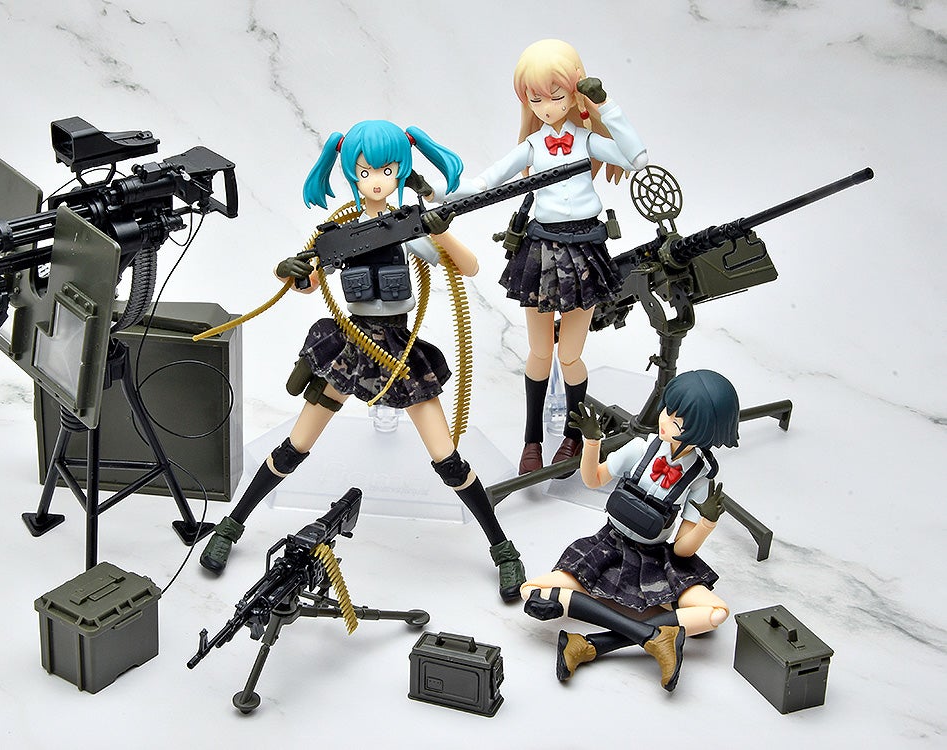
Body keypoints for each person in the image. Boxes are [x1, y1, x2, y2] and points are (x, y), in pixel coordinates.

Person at [199, 119, 527, 601]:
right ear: (353, 172)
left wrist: (440, 231)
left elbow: (469, 267)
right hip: (350, 347)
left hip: (398, 351)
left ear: (401, 172)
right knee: (295, 445)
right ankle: (231, 526)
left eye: (388, 171)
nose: (377, 180)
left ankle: (503, 549)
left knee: (448, 459)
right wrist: (291, 270)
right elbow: (309, 278)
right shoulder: (340, 233)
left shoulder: (406, 227)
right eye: (367, 171)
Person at [449, 39, 647, 475]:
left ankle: (574, 434)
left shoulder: (587, 140)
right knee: (539, 352)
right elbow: (486, 181)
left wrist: (605, 104)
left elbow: (637, 157)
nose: (545, 107)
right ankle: (532, 439)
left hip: (586, 249)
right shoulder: (533, 147)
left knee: (570, 355)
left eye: (555, 96)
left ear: (574, 94)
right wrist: (439, 194)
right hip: (540, 252)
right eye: (534, 99)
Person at [519, 370, 739, 690]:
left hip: (655, 559)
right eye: (668, 411)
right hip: (609, 546)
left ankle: (590, 644)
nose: (665, 422)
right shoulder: (640, 449)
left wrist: (707, 523)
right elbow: (594, 479)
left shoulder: (699, 478)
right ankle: (651, 636)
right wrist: (592, 442)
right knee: (532, 592)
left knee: (715, 612)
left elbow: (682, 549)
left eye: (678, 423)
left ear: (705, 432)